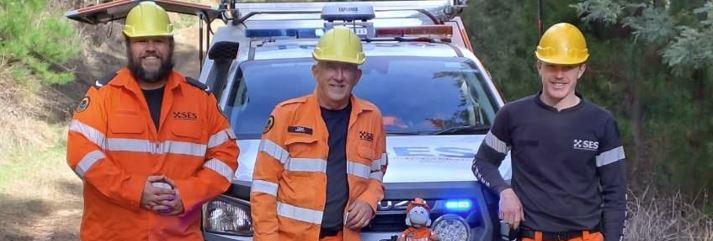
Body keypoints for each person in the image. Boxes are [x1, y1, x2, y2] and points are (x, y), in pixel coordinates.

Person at [66, 2, 239, 240]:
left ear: (170, 45)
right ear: (128, 45)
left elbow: (225, 157)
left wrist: (186, 194)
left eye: (158, 41)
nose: (150, 48)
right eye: (141, 41)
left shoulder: (200, 100)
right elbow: (80, 153)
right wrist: (135, 191)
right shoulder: (103, 96)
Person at [471, 23, 626, 241]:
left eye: (568, 67)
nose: (559, 75)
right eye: (552, 66)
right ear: (539, 66)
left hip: (586, 236)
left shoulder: (601, 122)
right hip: (532, 236)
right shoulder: (513, 115)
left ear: (581, 69)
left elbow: (615, 194)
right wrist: (504, 191)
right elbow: (482, 163)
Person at [250, 27, 388, 241]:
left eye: (347, 68)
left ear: (357, 76)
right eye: (331, 67)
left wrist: (369, 199)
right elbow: (264, 187)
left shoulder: (371, 117)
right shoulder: (286, 115)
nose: (339, 77)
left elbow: (377, 171)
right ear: (316, 72)